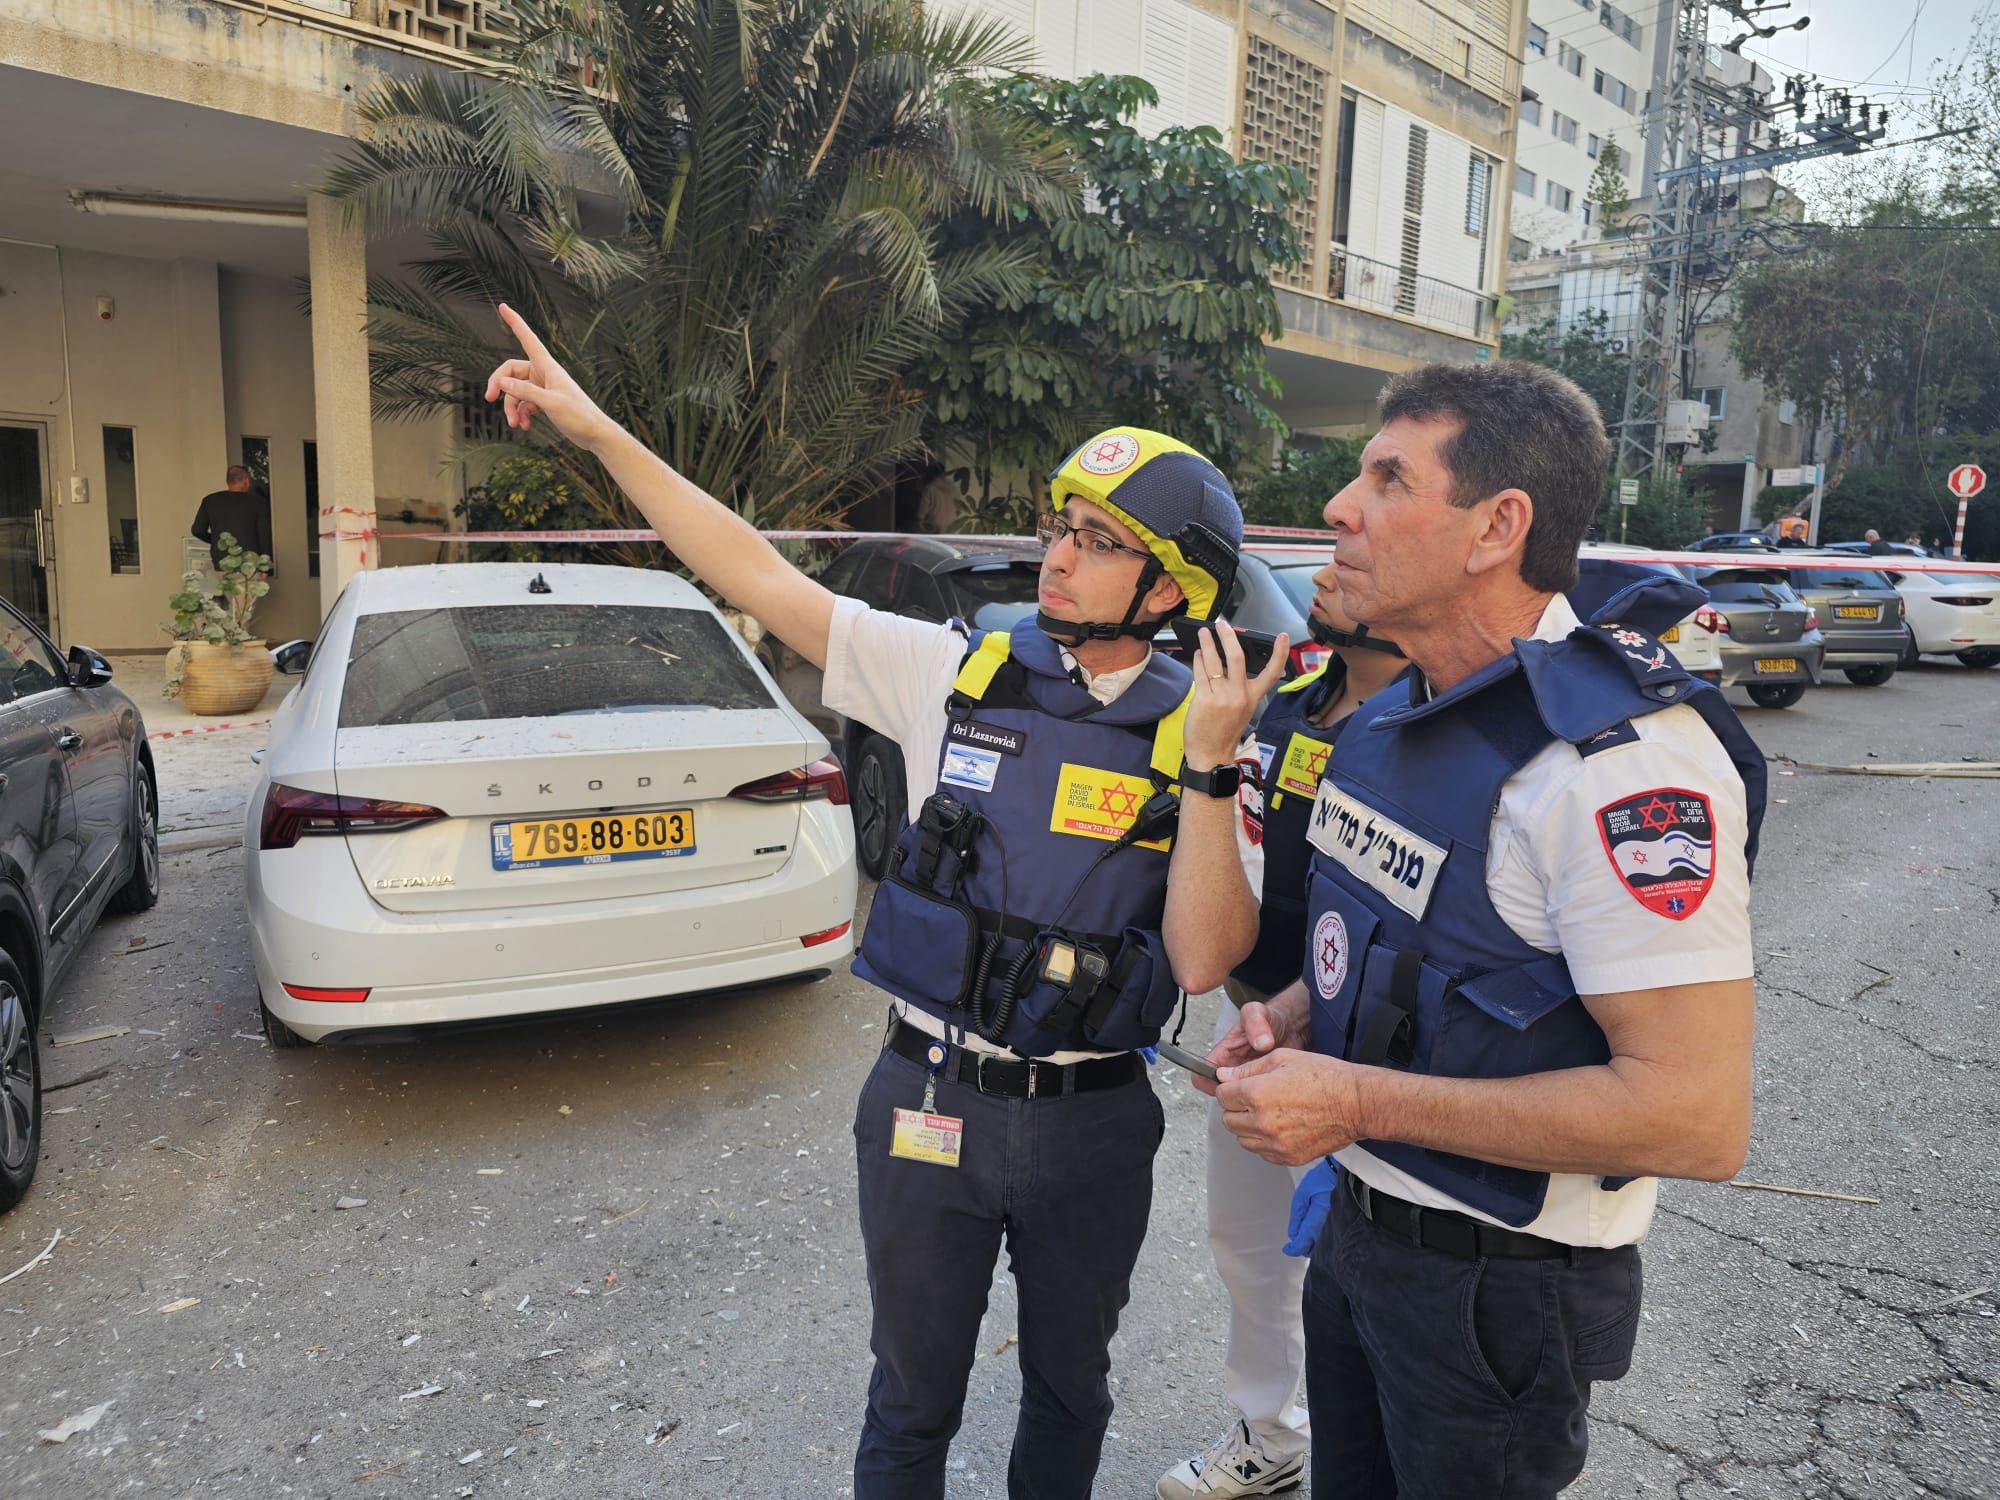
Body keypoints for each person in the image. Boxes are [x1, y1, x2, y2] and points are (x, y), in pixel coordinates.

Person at [481, 305, 1245, 1500]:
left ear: (1167, 588)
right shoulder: (955, 670)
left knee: (1069, 1392)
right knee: (908, 1404)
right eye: (1058, 526)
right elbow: (755, 571)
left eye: (1097, 541)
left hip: (1090, 1123)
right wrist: (599, 433)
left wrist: (1208, 768)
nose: (1057, 556)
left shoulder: (1205, 730)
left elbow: (1200, 961)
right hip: (926, 1099)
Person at [1200, 361, 1767, 1499]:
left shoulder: (1619, 774)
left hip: (1498, 1290)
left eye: (1387, 479)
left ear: (1495, 528)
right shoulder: (1388, 718)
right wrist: (1299, 1015)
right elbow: (1415, 941)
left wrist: (1355, 1099)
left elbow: (1695, 1119)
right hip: (1357, 1232)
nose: (1338, 508)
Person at [1154, 578, 1406, 1499]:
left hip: (1372, 1051)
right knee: (1249, 1245)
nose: (1330, 563)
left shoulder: (1435, 720)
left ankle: (1377, 1456)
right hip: (1258, 1020)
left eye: (1356, 549)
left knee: (1369, 1279)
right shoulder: (1293, 704)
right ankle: (1272, 1433)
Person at [190, 465, 273, 571]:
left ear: (228, 482)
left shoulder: (210, 501)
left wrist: (218, 541)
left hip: (222, 562)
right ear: (246, 481)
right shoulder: (257, 503)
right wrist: (266, 567)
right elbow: (265, 538)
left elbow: (197, 530)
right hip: (250, 563)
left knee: (226, 582)